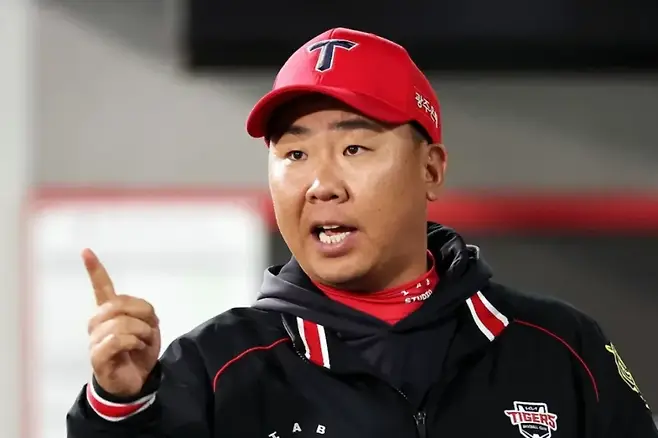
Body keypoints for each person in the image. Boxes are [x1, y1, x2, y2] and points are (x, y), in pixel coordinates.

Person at [66, 27, 657, 438]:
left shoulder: (560, 348)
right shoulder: (215, 368)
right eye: (294, 154)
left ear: (431, 170)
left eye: (354, 148)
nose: (321, 185)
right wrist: (120, 409)